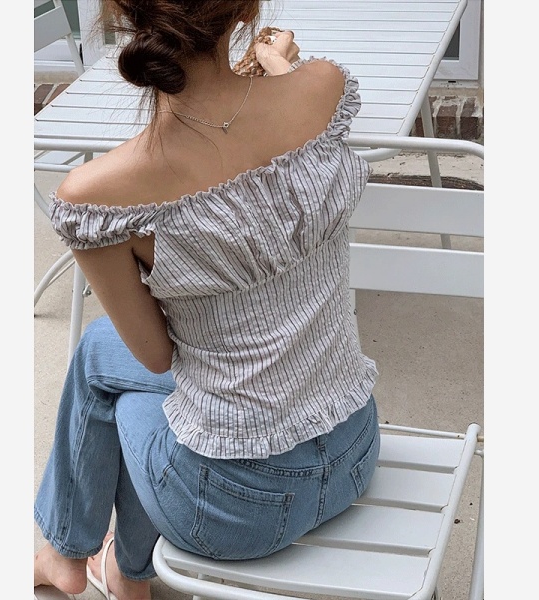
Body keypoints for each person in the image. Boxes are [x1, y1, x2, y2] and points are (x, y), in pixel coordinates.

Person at [33, 1, 380, 599]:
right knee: (101, 351)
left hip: (232, 511)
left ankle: (107, 566)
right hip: (354, 451)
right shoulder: (322, 89)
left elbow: (156, 357)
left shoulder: (98, 193)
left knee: (119, 383)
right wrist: (276, 66)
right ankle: (89, 561)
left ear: (121, 18)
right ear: (244, 10)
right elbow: (279, 111)